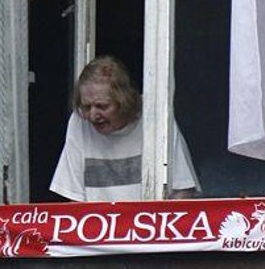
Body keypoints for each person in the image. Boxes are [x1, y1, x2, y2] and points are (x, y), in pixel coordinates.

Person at [50, 55, 200, 202]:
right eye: (87, 106)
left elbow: (182, 190)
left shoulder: (154, 115)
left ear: (123, 101)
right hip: (97, 224)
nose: (93, 115)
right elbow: (73, 197)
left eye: (102, 106)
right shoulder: (79, 121)